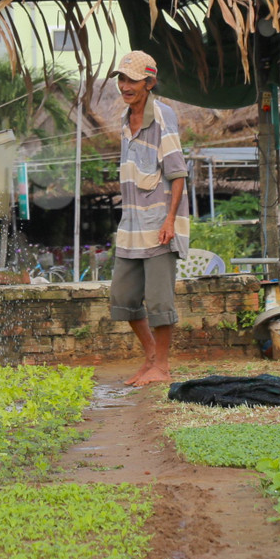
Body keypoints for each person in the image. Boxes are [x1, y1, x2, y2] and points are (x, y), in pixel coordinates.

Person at [107, 51, 188, 387]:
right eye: (122, 79)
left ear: (149, 83)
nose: (125, 86)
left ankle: (163, 367)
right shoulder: (126, 121)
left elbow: (179, 173)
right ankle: (151, 357)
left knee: (158, 300)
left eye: (132, 80)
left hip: (159, 224)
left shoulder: (162, 117)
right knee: (123, 298)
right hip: (131, 226)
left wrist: (170, 220)